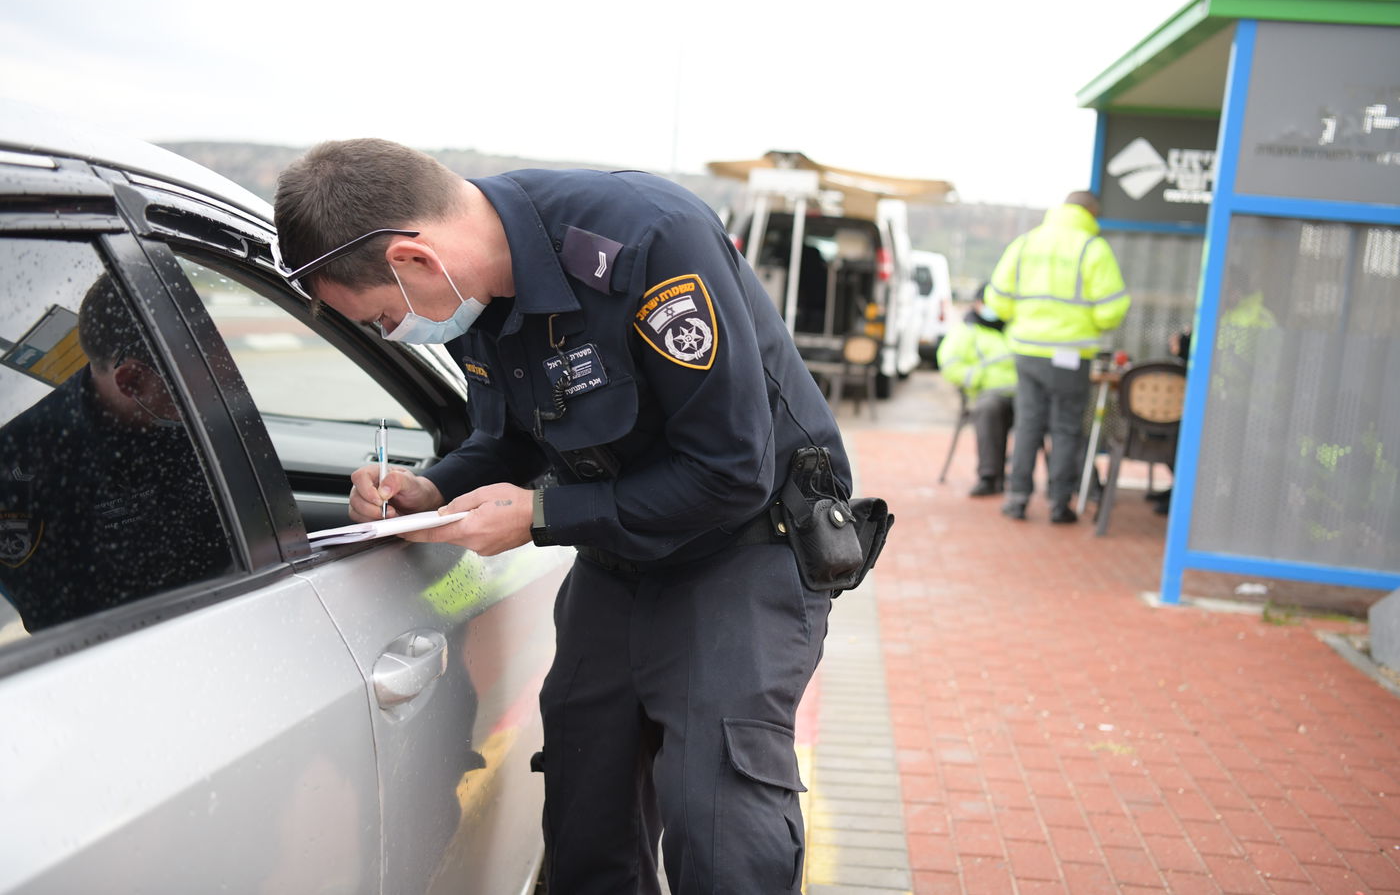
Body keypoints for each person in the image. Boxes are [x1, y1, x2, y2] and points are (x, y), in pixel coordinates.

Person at [273, 139, 874, 895]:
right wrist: (434, 486)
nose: (397, 333)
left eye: (387, 317)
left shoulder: (647, 243)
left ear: (417, 259)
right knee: (587, 816)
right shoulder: (477, 294)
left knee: (722, 830)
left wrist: (541, 515)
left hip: (744, 545)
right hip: (621, 548)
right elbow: (511, 435)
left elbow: (732, 470)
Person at [0, 274, 231, 631]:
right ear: (131, 381)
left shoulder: (188, 414)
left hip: (230, 610)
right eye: (192, 376)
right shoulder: (25, 463)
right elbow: (60, 624)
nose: (210, 388)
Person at [986, 191, 1130, 524]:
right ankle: (1058, 503)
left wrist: (1026, 319)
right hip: (1070, 354)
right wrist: (1087, 324)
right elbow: (1112, 309)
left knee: (1027, 425)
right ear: (1092, 213)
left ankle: (1017, 498)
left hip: (1027, 350)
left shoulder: (1025, 243)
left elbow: (998, 297)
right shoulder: (1092, 248)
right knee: (1065, 429)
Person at [936, 283, 1016, 496]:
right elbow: (949, 366)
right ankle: (989, 476)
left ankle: (1027, 479)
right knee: (989, 409)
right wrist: (981, 379)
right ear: (977, 304)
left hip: (1021, 396)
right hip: (986, 395)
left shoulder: (1014, 329)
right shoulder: (966, 331)